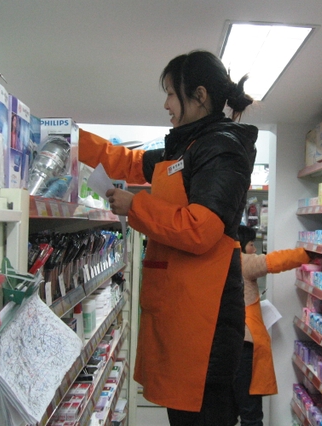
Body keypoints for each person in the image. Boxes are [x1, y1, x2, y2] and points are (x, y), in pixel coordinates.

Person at [78, 50, 258, 425]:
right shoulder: (187, 146)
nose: (166, 105)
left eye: (172, 94)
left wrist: (136, 206)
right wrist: (69, 138)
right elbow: (128, 162)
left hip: (205, 326)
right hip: (184, 315)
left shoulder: (222, 148)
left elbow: (200, 229)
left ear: (200, 95)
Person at [230, 225, 311, 426]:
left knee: (229, 410)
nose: (254, 249)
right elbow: (274, 261)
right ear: (241, 245)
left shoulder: (219, 262)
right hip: (244, 345)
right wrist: (308, 254)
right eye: (251, 244)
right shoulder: (241, 261)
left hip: (227, 342)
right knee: (250, 412)